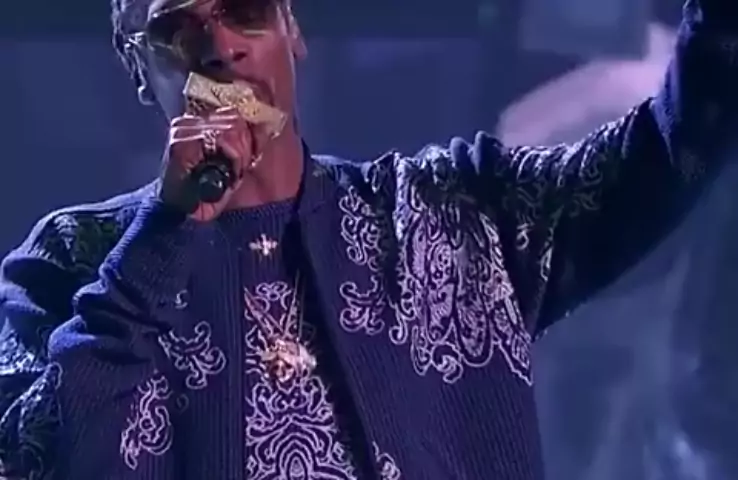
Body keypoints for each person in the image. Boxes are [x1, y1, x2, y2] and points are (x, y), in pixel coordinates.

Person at [0, 0, 736, 478]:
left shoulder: (450, 215)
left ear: (291, 28)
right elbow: (34, 456)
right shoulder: (70, 259)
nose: (220, 46)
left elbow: (669, 153)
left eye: (245, 10)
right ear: (139, 69)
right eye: (179, 31)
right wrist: (162, 237)